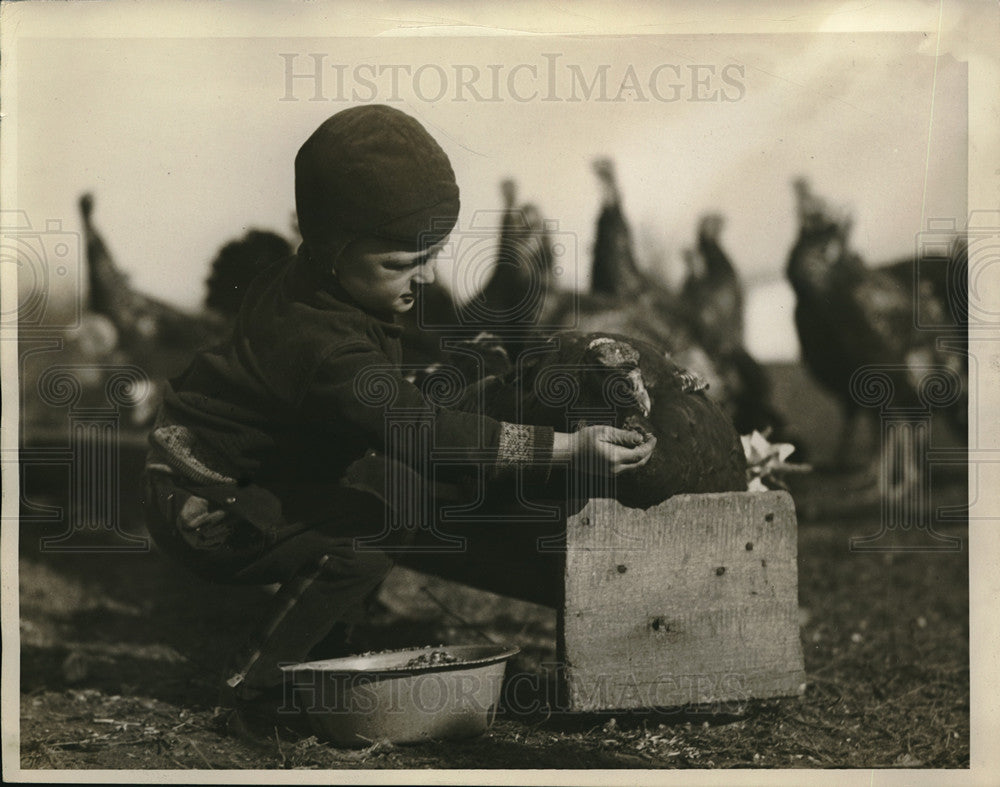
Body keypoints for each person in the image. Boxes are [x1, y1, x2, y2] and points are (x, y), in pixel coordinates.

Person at [141, 104, 655, 736]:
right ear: (333, 249)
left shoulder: (314, 286)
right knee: (371, 533)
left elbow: (387, 404)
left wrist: (457, 377)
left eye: (431, 255)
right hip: (207, 499)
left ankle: (323, 646)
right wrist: (566, 450)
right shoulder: (324, 345)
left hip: (238, 467)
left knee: (404, 490)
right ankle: (257, 689)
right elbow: (424, 432)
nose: (424, 277)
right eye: (401, 263)